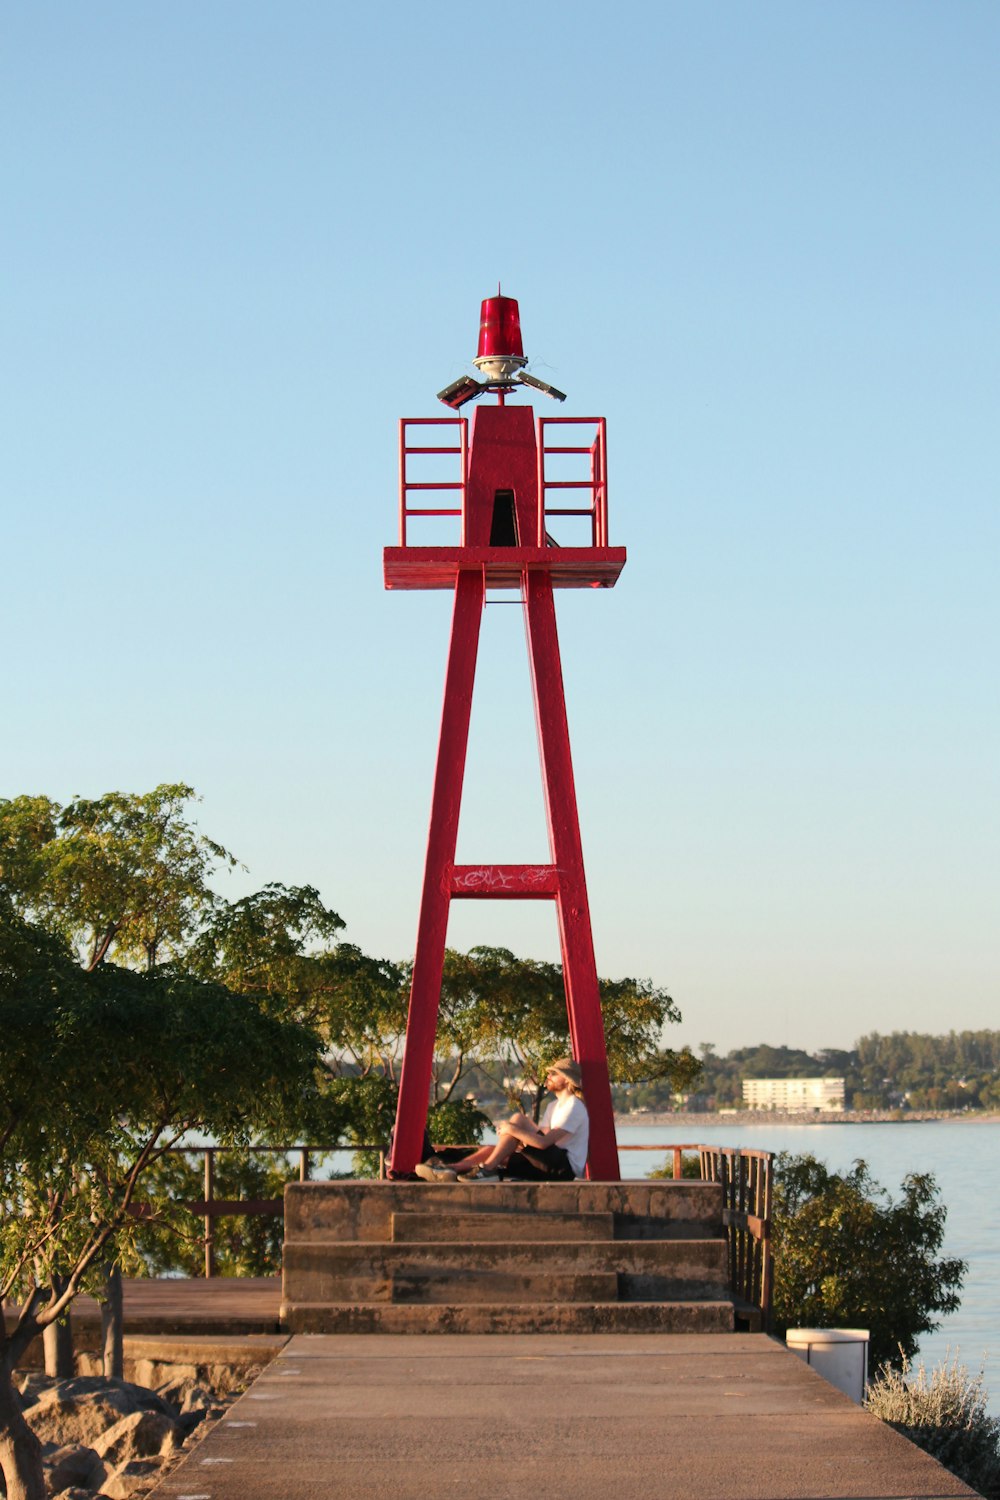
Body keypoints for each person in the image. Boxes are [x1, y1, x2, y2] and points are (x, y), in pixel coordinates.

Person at [415, 1058, 589, 1181]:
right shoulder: (553, 1106)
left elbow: (543, 1143)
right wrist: (518, 1139)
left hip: (563, 1169)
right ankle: (453, 1169)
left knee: (518, 1120)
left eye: (554, 1074)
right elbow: (540, 1139)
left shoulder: (574, 1106)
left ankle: (487, 1170)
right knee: (495, 1150)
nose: (548, 1076)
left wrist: (512, 1130)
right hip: (549, 1163)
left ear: (567, 1081)